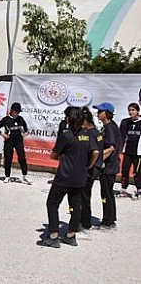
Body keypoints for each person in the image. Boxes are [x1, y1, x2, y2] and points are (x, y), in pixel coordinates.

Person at [37, 107, 99, 248]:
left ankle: (53, 236)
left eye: (66, 116)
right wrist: (88, 166)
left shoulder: (66, 135)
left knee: (52, 203)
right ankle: (71, 235)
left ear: (70, 119)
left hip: (64, 175)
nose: (65, 119)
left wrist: (63, 156)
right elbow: (95, 152)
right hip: (80, 176)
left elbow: (53, 155)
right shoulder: (87, 135)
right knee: (75, 206)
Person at [95, 102, 121, 230]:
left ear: (107, 113)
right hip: (108, 166)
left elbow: (110, 148)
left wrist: (97, 161)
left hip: (109, 166)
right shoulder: (106, 127)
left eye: (100, 111)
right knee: (107, 193)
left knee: (106, 194)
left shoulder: (110, 127)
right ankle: (109, 219)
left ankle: (108, 222)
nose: (98, 113)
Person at [79, 107, 103, 238]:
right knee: (85, 195)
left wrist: (89, 166)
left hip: (91, 170)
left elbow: (96, 152)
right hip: (96, 168)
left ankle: (85, 224)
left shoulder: (90, 134)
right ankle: (84, 222)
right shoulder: (96, 132)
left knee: (84, 197)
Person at [0, 102, 31, 184]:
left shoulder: (20, 119)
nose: (17, 114)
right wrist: (3, 135)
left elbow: (26, 129)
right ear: (12, 111)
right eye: (16, 112)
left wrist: (25, 133)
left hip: (18, 140)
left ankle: (25, 176)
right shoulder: (6, 119)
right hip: (9, 140)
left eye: (18, 112)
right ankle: (7, 176)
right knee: (8, 158)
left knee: (22, 158)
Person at [119, 102, 141, 198]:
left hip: (138, 152)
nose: (131, 112)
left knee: (138, 172)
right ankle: (124, 189)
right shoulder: (125, 122)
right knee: (124, 170)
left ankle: (139, 190)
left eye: (133, 110)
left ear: (138, 111)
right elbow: (122, 136)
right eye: (129, 110)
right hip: (127, 151)